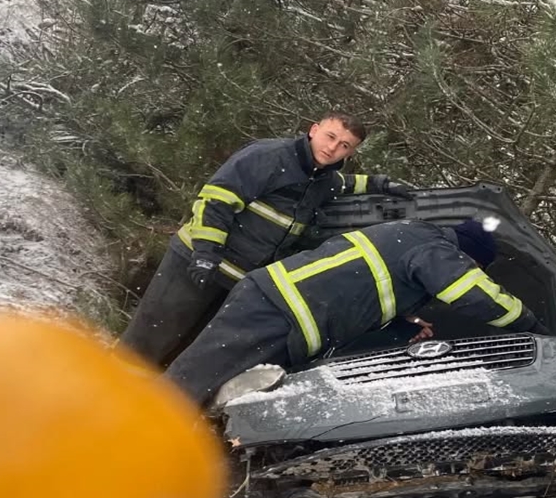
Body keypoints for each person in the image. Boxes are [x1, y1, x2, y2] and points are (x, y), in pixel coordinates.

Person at [120, 113, 413, 366]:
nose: (333, 147)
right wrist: (206, 253)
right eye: (330, 136)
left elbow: (344, 185)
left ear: (350, 153)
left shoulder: (322, 179)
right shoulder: (269, 156)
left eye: (344, 145)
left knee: (186, 352)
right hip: (195, 262)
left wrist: (379, 184)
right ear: (314, 130)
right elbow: (216, 201)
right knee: (148, 340)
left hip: (237, 281)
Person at [165, 218, 546, 406]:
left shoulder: (411, 237)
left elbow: (366, 289)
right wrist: (531, 326)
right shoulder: (434, 247)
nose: (472, 272)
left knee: (232, 394)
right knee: (190, 384)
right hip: (276, 307)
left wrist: (402, 323)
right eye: (475, 267)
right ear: (468, 255)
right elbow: (470, 293)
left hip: (283, 309)